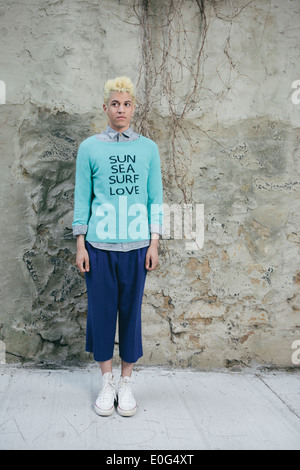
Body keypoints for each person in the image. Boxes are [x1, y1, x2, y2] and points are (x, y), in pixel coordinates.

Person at [72, 76, 163, 417]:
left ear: (133, 107)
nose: (120, 109)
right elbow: (83, 199)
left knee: (130, 315)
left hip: (138, 247)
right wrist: (81, 244)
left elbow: (156, 198)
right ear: (105, 107)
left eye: (126, 103)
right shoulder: (90, 148)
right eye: (114, 103)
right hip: (98, 247)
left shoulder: (148, 148)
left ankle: (126, 383)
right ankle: (106, 380)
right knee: (101, 314)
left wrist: (154, 242)